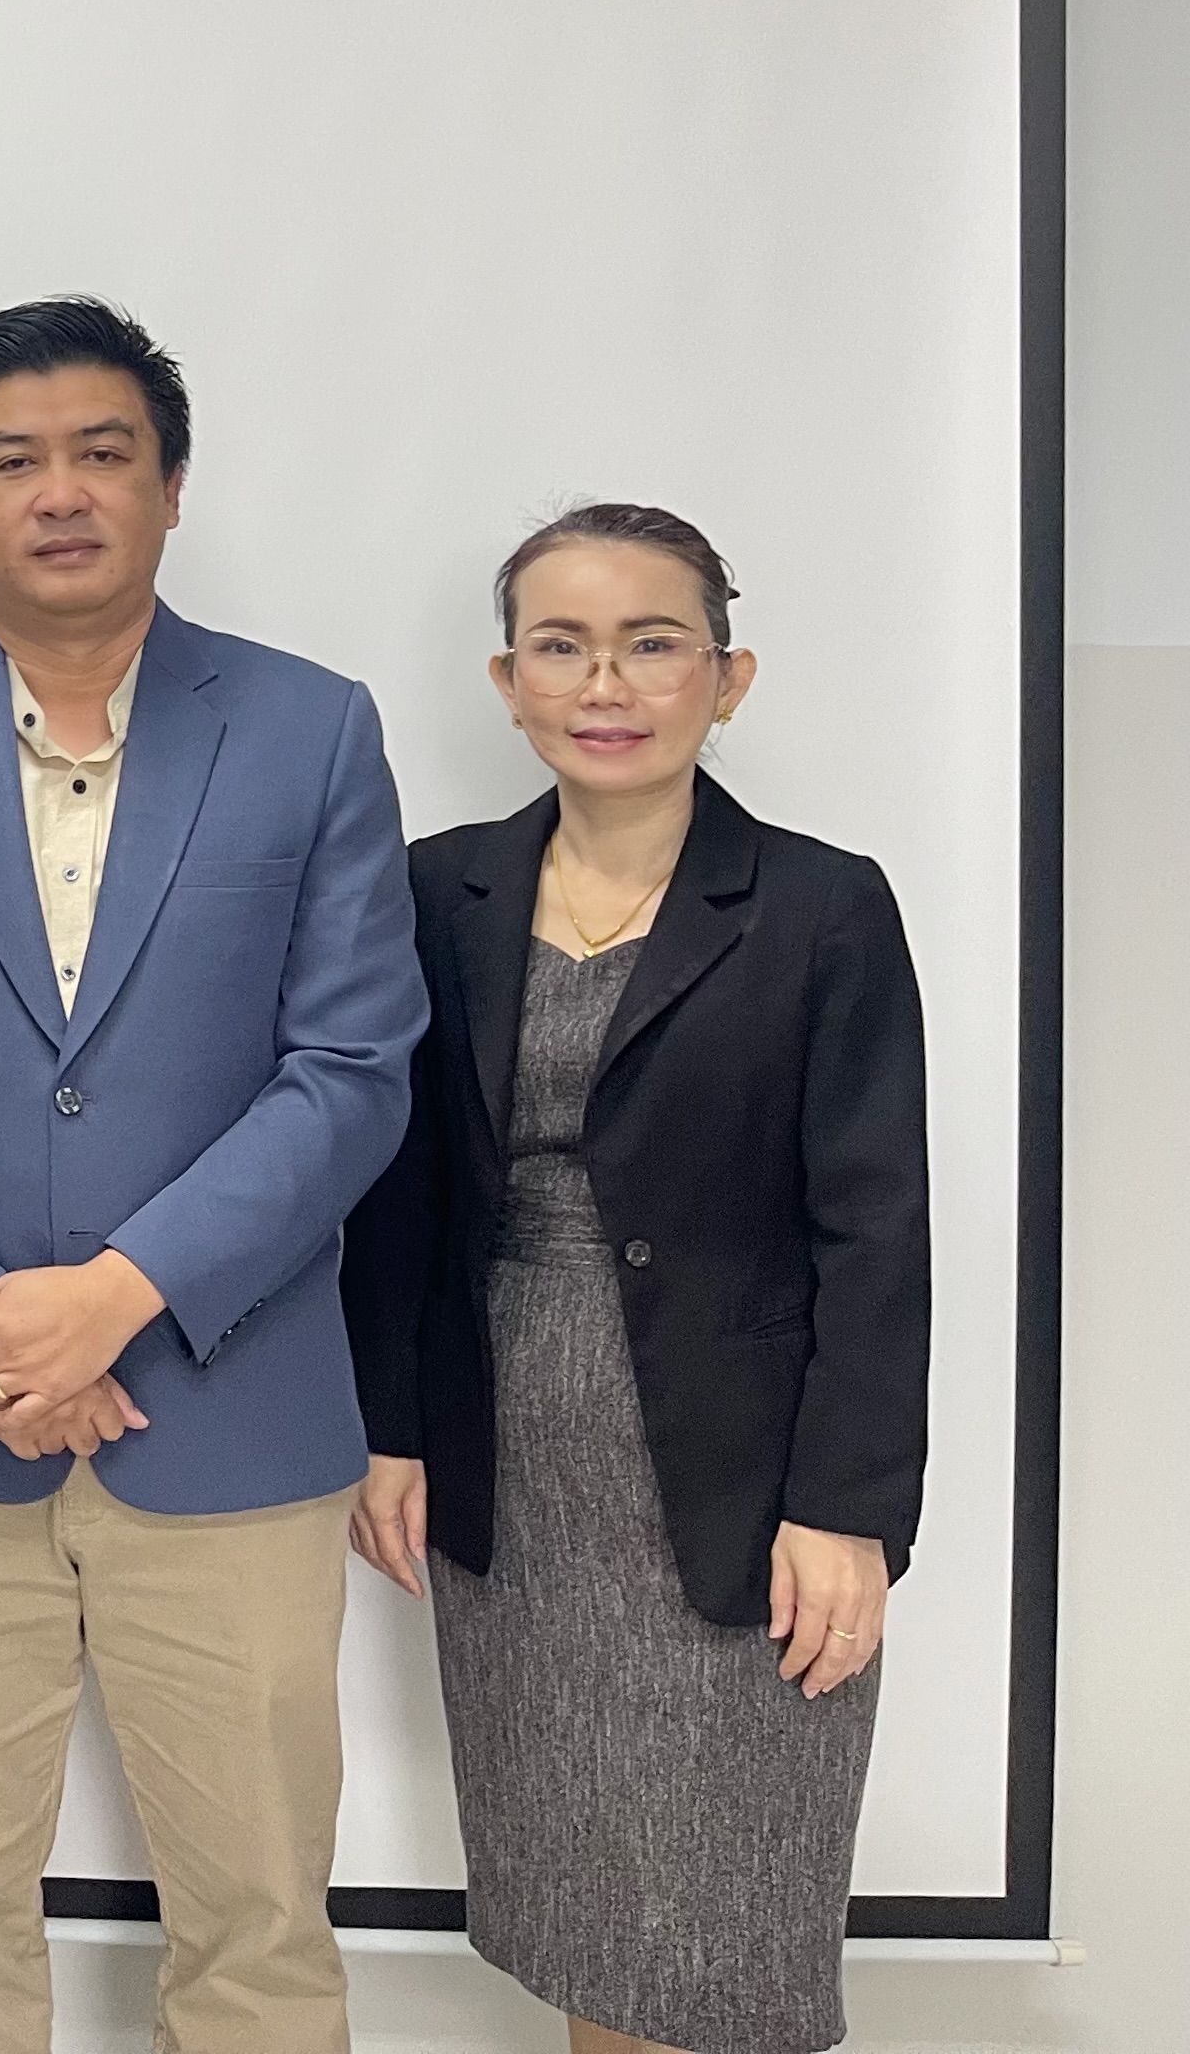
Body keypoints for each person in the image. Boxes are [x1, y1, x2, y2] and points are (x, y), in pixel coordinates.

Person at [0, 294, 422, 2054]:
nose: (59, 492)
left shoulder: (310, 726)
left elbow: (353, 1072)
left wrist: (117, 1298)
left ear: (171, 484)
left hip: (231, 1422)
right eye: (13, 461)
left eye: (101, 452)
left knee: (260, 1918)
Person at [344, 504, 926, 2054]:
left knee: (728, 1928)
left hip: (742, 1471)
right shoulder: (438, 892)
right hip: (509, 1456)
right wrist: (388, 1427)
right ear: (508, 681)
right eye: (563, 645)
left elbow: (876, 1226)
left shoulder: (821, 906)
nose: (605, 683)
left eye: (652, 643)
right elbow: (400, 1192)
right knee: (583, 1906)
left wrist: (850, 1505)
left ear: (727, 678)